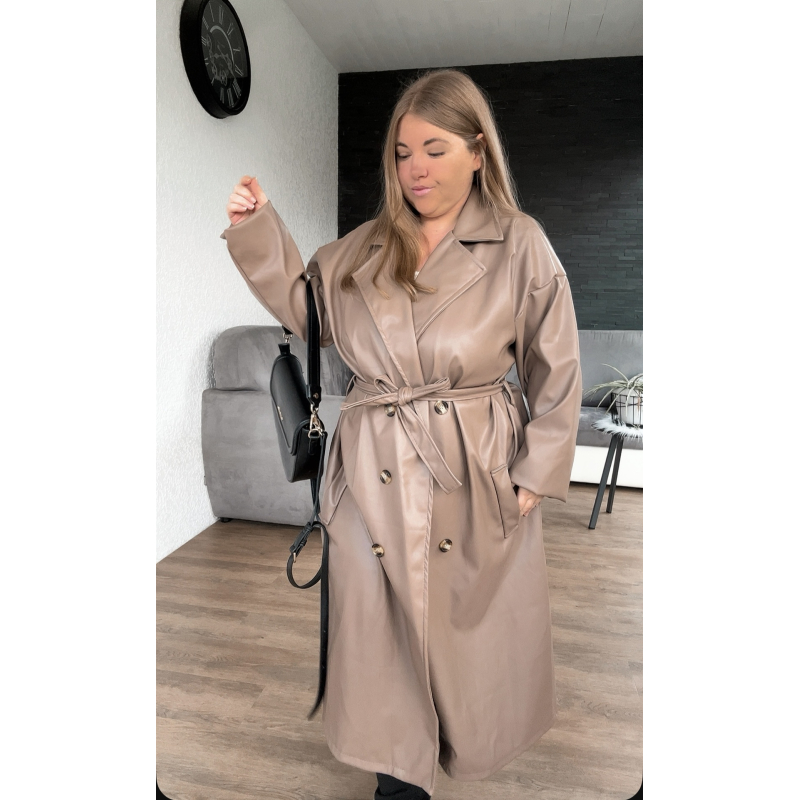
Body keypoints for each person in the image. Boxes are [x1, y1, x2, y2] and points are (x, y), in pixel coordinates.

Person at [220, 69, 582, 800]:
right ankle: (399, 780)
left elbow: (557, 363)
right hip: (371, 472)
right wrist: (259, 227)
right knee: (380, 639)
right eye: (402, 152)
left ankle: (454, 750)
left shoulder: (520, 244)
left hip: (472, 468)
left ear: (477, 151)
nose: (415, 168)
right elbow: (308, 310)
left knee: (465, 638)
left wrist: (532, 478)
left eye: (435, 149)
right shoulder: (362, 249)